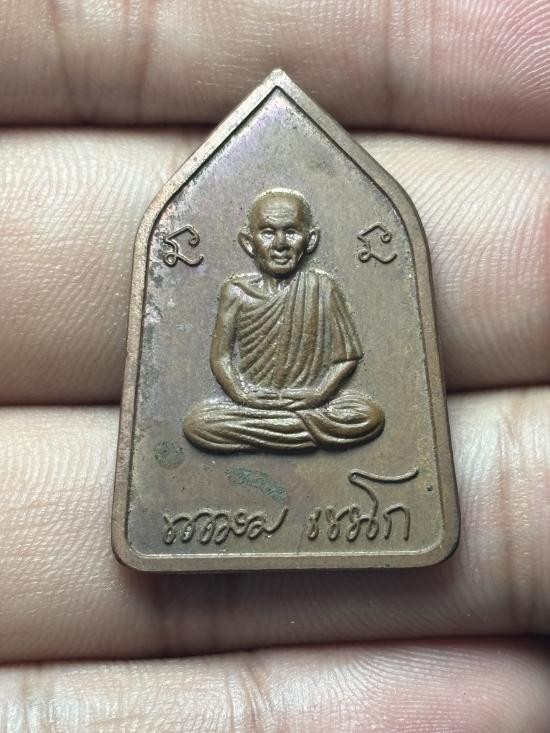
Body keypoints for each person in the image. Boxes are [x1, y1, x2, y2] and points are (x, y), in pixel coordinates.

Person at [184, 188, 384, 451]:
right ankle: (299, 435)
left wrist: (318, 394)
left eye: (291, 232)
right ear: (248, 242)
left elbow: (346, 358)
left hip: (309, 403)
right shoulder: (235, 292)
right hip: (254, 405)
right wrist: (241, 394)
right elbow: (221, 358)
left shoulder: (322, 288)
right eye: (268, 233)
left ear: (310, 240)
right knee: (198, 423)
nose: (280, 244)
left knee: (368, 415)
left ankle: (271, 436)